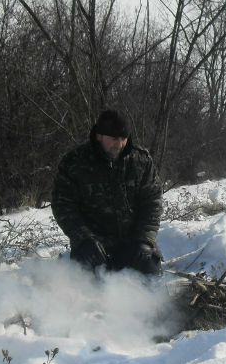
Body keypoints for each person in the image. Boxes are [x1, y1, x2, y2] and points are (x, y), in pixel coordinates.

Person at [51, 109, 163, 275]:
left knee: (151, 275)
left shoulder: (141, 161)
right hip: (93, 246)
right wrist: (83, 239)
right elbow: (63, 206)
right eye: (114, 139)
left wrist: (145, 240)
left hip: (134, 243)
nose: (119, 144)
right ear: (99, 136)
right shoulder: (74, 163)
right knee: (87, 290)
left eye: (123, 138)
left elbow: (152, 202)